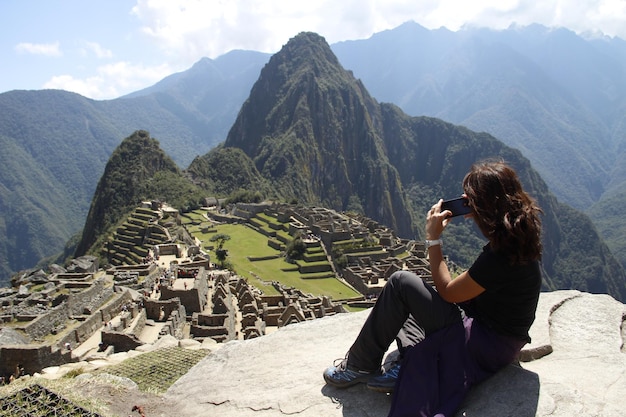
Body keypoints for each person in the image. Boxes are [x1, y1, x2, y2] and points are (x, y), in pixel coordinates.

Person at [323, 160, 543, 417]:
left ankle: (361, 366)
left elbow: (449, 291)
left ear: (486, 205)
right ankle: (406, 363)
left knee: (400, 283)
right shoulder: (519, 236)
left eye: (470, 199)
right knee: (404, 308)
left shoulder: (500, 255)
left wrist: (433, 239)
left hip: (485, 344)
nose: (463, 201)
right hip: (502, 341)